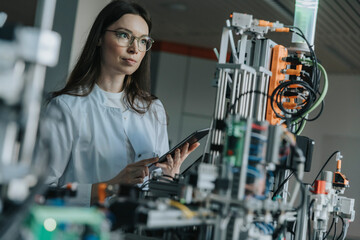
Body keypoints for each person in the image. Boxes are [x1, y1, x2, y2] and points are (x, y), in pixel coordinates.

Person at [38, 0, 199, 206]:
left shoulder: (152, 109)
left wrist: (169, 177)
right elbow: (42, 193)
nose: (134, 48)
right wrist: (111, 186)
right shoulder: (66, 108)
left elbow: (154, 194)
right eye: (124, 35)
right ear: (99, 38)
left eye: (142, 41)